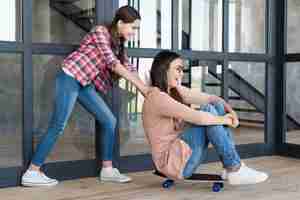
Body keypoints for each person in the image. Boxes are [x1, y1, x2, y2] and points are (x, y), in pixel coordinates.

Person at [22, 5, 148, 187]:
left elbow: (127, 67)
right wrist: (141, 87)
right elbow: (112, 64)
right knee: (58, 125)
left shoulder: (117, 43)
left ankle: (107, 169)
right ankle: (32, 171)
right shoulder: (100, 32)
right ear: (120, 22)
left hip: (84, 83)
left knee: (109, 121)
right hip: (70, 77)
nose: (134, 32)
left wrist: (147, 87)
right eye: (133, 27)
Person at [142, 50, 268, 185]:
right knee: (207, 111)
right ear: (163, 70)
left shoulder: (173, 90)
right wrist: (226, 120)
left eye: (182, 70)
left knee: (216, 105)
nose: (181, 73)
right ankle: (234, 168)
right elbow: (198, 118)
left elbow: (212, 99)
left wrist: (231, 113)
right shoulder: (157, 97)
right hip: (173, 164)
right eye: (178, 69)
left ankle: (231, 166)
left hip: (183, 155)